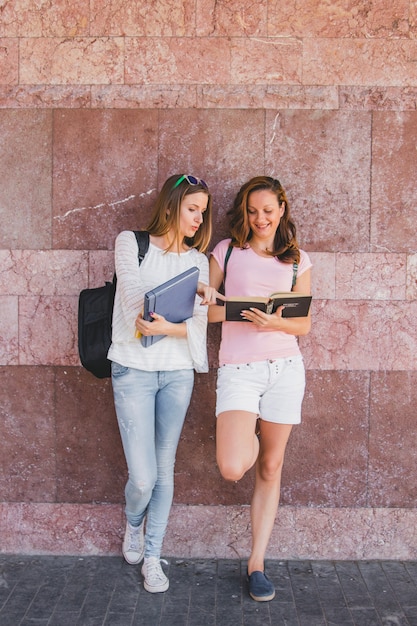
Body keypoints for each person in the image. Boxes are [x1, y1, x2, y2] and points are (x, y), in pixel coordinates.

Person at [108, 174, 218, 593]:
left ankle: (153, 555)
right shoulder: (130, 243)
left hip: (176, 374)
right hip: (132, 370)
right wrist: (185, 309)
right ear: (171, 206)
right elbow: (135, 298)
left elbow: (197, 331)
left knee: (164, 469)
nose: (198, 219)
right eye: (193, 209)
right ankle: (133, 522)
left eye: (203, 212)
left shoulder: (198, 262)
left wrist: (179, 317)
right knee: (142, 478)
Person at [208, 176, 312, 602]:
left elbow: (303, 323)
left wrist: (273, 321)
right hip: (239, 369)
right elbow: (205, 311)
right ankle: (246, 428)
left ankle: (257, 564)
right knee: (233, 466)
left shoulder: (296, 260)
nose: (260, 218)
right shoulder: (227, 251)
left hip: (285, 368)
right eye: (252, 211)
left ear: (281, 210)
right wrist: (234, 311)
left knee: (270, 468)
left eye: (268, 211)